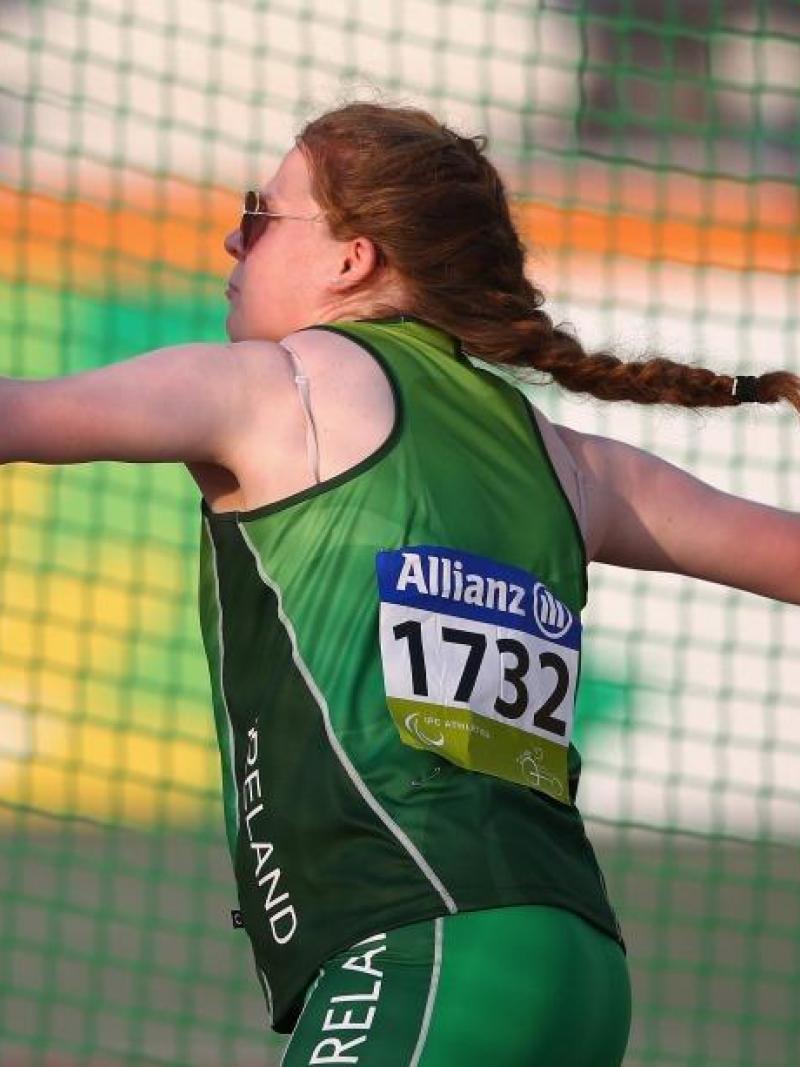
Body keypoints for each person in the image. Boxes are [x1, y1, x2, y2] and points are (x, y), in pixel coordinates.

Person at [3, 101, 798, 1066]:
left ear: (353, 258)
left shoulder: (277, 389)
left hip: (420, 946)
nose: (231, 233)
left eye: (262, 212)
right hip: (578, 968)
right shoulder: (569, 461)